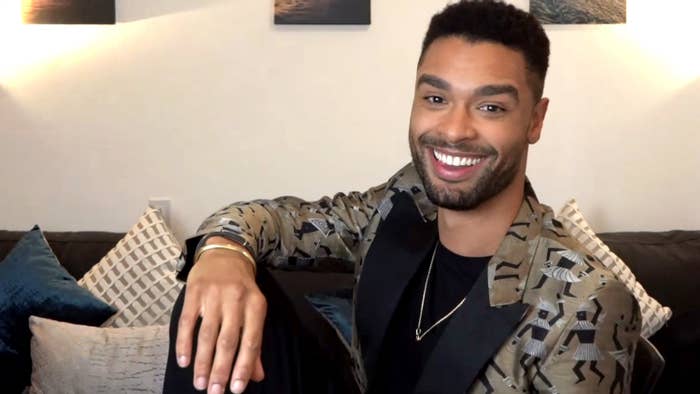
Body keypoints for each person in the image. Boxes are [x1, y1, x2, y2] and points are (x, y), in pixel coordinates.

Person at [163, 1, 641, 393]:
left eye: (490, 107)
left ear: (535, 121)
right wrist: (223, 254)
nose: (453, 130)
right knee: (210, 300)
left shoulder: (587, 301)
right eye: (435, 99)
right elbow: (273, 220)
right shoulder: (403, 201)